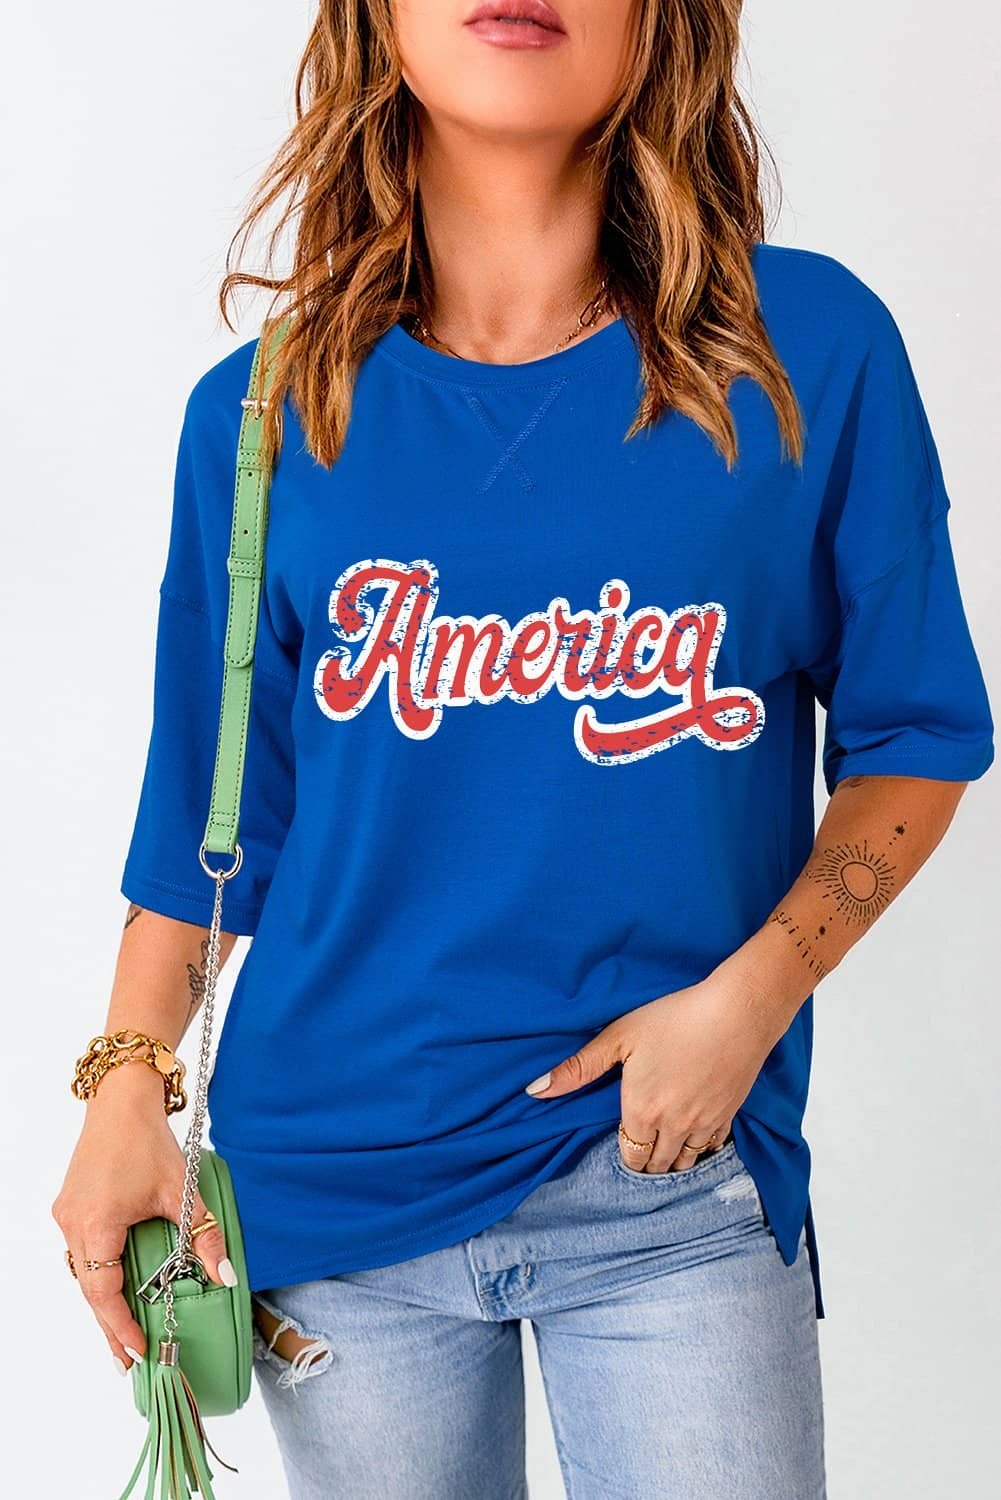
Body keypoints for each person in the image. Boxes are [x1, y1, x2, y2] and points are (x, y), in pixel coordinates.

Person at [53, 1, 994, 1496]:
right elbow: (207, 831)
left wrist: (749, 1000)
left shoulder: (805, 349)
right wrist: (124, 1092)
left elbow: (917, 736)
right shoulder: (262, 414)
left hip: (668, 1171)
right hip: (333, 1198)